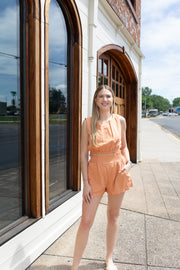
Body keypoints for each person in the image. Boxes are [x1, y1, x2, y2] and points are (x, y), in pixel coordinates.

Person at [71, 85, 133, 270]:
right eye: (101, 96)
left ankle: (109, 259)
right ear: (96, 101)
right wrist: (85, 183)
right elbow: (83, 155)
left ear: (112, 99)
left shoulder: (120, 120)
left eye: (108, 96)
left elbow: (124, 147)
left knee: (113, 216)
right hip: (95, 171)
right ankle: (74, 266)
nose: (105, 99)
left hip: (117, 169)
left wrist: (128, 163)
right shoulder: (87, 123)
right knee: (86, 221)